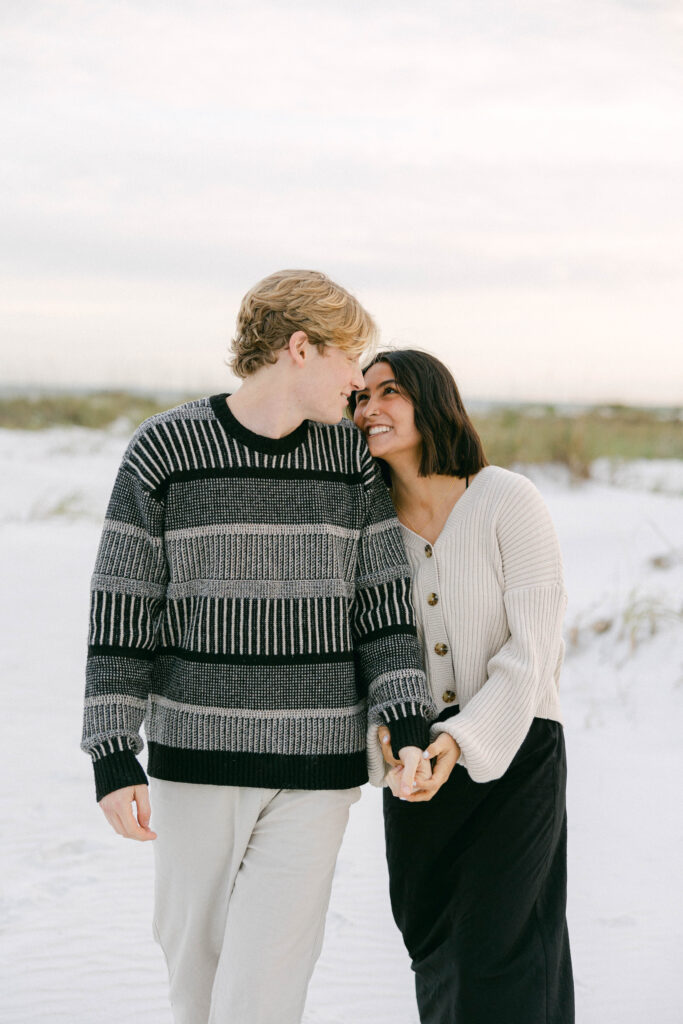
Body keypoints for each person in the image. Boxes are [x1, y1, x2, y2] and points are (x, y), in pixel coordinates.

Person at [80, 272, 437, 1024]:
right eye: (351, 358)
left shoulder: (350, 461)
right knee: (196, 986)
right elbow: (122, 605)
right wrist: (112, 752)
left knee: (264, 993)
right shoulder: (165, 450)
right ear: (300, 348)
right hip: (194, 758)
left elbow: (381, 604)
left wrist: (406, 720)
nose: (358, 381)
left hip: (317, 768)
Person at [350, 349, 574, 1024]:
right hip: (416, 766)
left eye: (388, 392)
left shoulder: (507, 498)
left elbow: (534, 645)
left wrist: (460, 739)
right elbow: (364, 650)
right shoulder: (368, 525)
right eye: (358, 398)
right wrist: (389, 740)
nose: (369, 409)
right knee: (433, 945)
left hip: (517, 753)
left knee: (499, 952)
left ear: (431, 401)